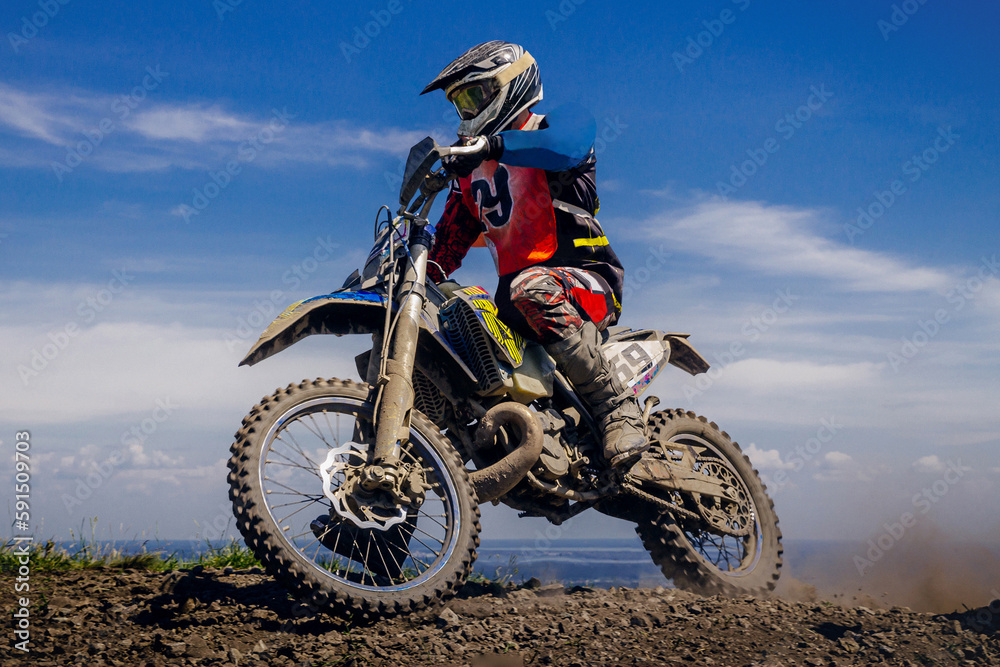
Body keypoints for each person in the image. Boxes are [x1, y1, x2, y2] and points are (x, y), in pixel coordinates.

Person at [422, 41, 647, 469]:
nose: (467, 111)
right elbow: (444, 249)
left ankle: (616, 406)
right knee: (449, 310)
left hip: (586, 283)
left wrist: (490, 147)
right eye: (459, 104)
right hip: (519, 303)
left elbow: (564, 146)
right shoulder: (472, 177)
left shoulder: (558, 124)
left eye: (474, 95)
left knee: (528, 288)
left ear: (511, 82)